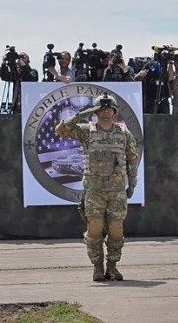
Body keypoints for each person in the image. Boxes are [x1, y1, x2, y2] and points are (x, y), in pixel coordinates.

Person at [55, 93, 138, 281]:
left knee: (116, 229)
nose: (106, 111)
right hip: (94, 190)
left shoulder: (123, 133)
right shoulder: (87, 131)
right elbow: (61, 130)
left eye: (109, 108)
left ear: (114, 111)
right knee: (95, 228)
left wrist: (132, 182)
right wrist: (81, 115)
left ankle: (112, 267)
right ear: (96, 111)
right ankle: (97, 267)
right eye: (102, 108)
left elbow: (132, 158)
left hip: (116, 191)